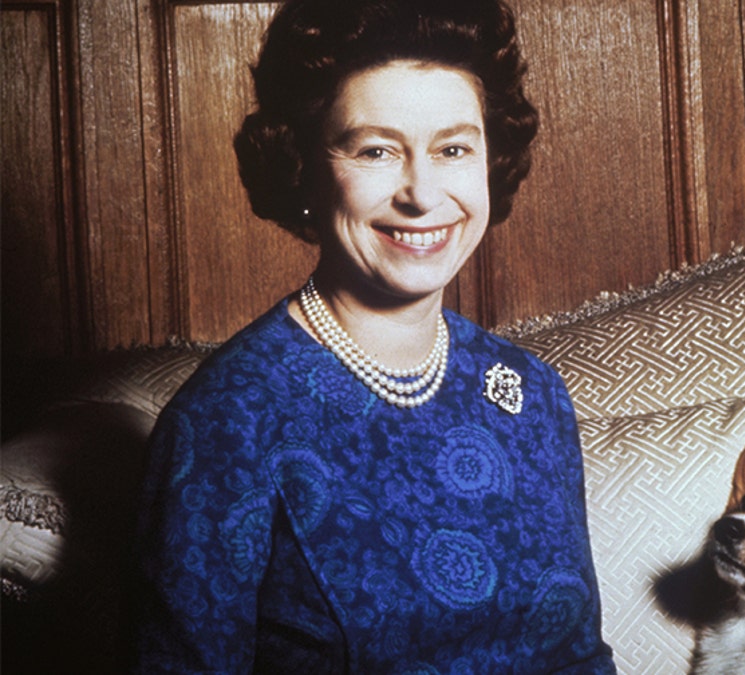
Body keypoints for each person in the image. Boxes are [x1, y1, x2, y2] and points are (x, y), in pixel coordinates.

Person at [129, 0, 616, 672]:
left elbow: (579, 656)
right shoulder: (225, 421)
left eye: (452, 148)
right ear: (304, 166)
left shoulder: (531, 395)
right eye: (377, 150)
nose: (421, 193)